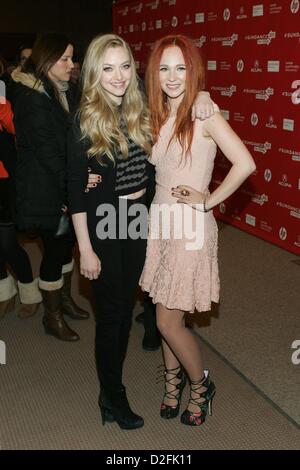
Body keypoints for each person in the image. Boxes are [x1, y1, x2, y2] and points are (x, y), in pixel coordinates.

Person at [68, 33, 216, 430]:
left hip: (139, 220)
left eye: (124, 66)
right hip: (104, 223)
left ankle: (109, 394)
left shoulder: (140, 110)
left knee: (130, 308)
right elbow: (75, 192)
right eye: (107, 68)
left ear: (134, 70)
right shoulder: (86, 117)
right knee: (112, 316)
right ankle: (113, 397)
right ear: (94, 74)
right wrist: (85, 248)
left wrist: (203, 96)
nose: (117, 76)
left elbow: (180, 111)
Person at [139, 35, 256, 426]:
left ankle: (201, 385)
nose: (172, 77)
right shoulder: (155, 114)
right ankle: (173, 386)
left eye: (181, 68)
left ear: (194, 72)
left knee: (165, 322)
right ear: (155, 74)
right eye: (164, 68)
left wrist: (207, 200)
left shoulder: (205, 114)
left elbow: (245, 163)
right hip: (161, 224)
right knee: (168, 312)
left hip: (190, 227)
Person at [10, 33, 89, 341]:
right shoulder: (32, 98)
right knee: (55, 251)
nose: (72, 64)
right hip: (46, 188)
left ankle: (65, 301)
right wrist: (72, 191)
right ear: (47, 61)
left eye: (72, 58)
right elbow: (49, 153)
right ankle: (51, 316)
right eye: (65, 59)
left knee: (65, 244)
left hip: (60, 184)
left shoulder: (60, 89)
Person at [0, 55, 41, 318]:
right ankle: (5, 291)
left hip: (3, 181)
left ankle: (29, 291)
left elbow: (17, 127)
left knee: (7, 244)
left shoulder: (6, 92)